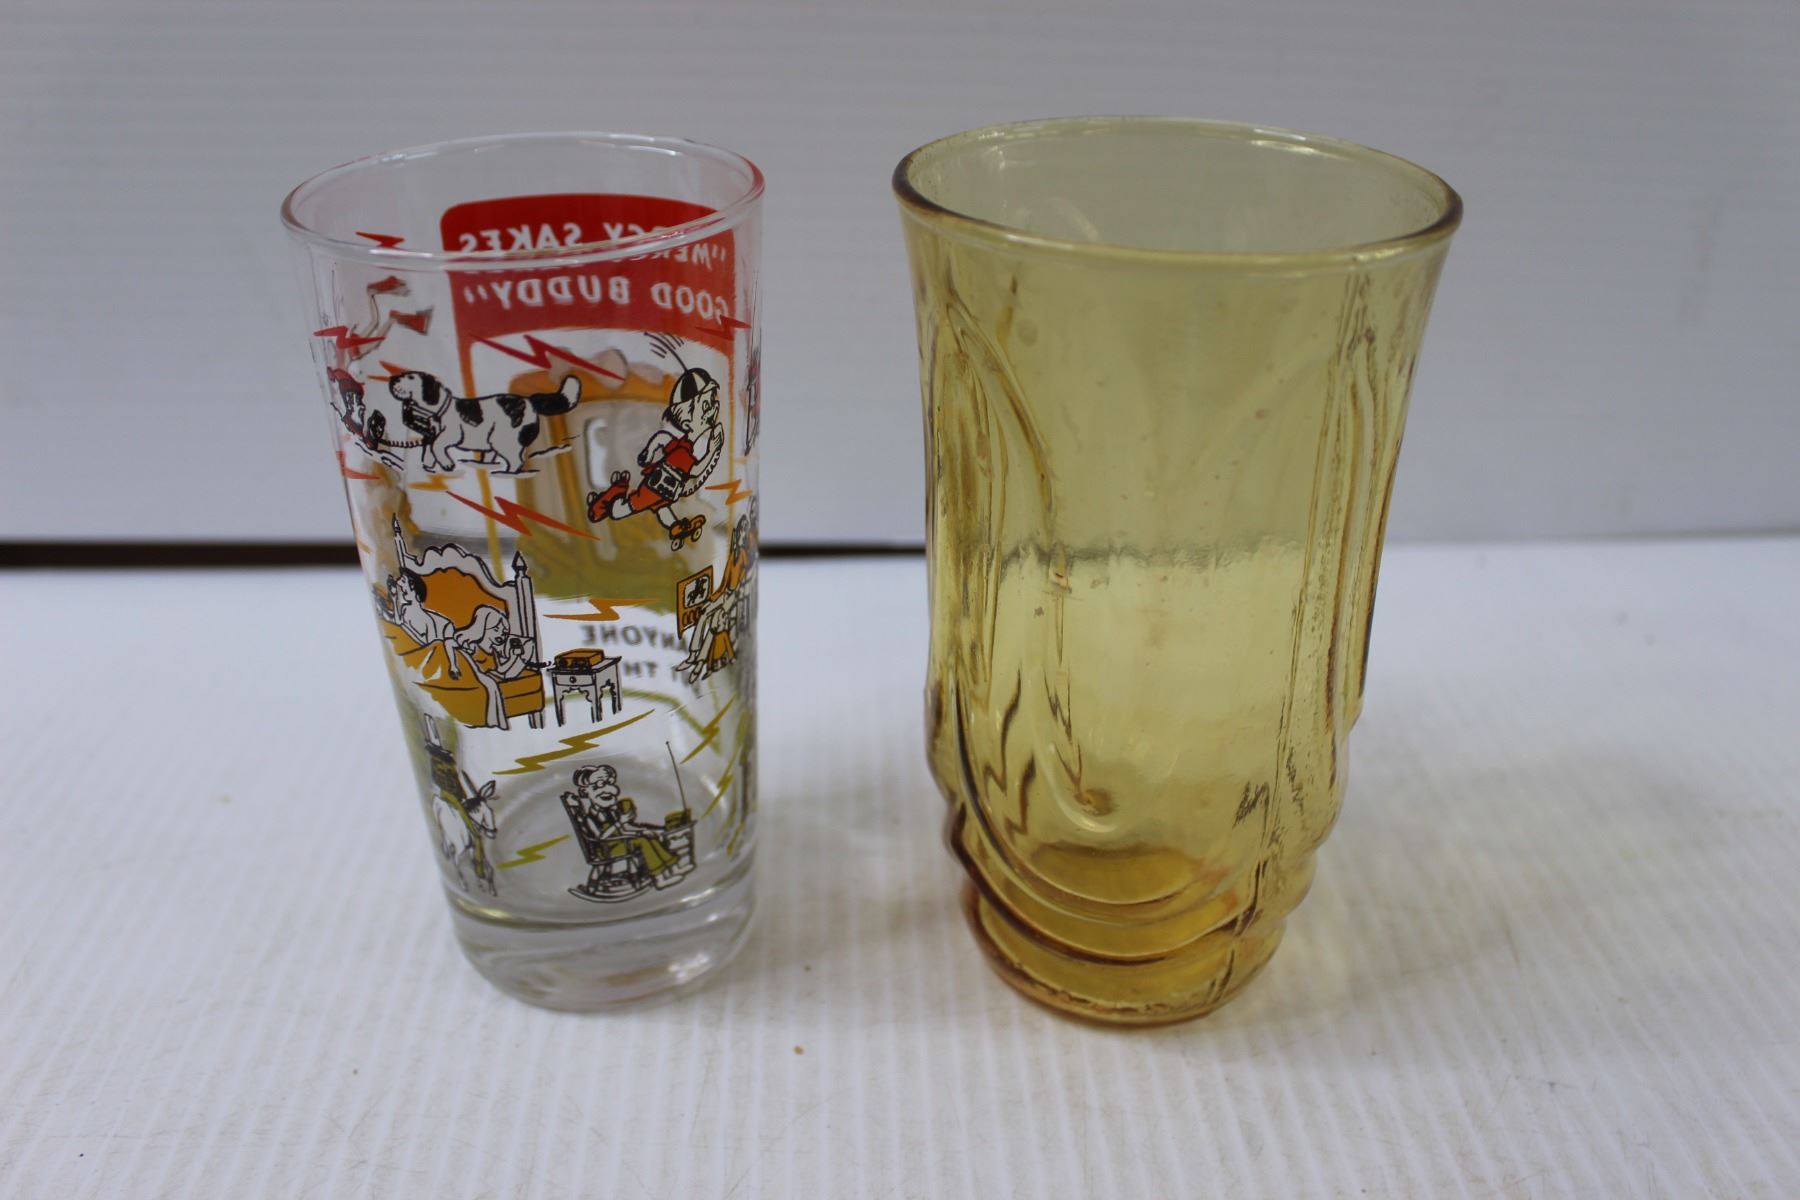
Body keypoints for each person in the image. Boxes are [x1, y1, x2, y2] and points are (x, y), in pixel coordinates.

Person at [568, 764, 680, 895]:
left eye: (609, 783)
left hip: (620, 842)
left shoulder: (611, 812)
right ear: (585, 792)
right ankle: (659, 879)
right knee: (643, 842)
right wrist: (620, 822)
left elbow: (623, 831)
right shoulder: (590, 818)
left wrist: (642, 831)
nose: (607, 789)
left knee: (650, 838)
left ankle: (671, 869)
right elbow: (601, 837)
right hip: (605, 849)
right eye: (599, 785)